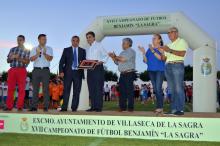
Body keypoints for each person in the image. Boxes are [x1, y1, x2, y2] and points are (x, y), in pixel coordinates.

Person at [160, 27, 189, 116]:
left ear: (176, 33)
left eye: (171, 32)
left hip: (177, 64)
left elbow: (182, 53)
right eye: (168, 33)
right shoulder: (168, 44)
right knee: (171, 89)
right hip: (168, 66)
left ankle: (180, 110)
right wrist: (162, 52)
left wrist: (169, 50)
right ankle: (173, 109)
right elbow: (163, 59)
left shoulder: (181, 41)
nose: (169, 34)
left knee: (178, 88)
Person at [139, 34, 165, 114]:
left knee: (158, 88)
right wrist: (143, 53)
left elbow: (161, 58)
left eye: (154, 38)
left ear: (159, 40)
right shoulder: (149, 49)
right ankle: (159, 107)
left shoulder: (162, 48)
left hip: (159, 70)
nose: (152, 40)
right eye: (152, 38)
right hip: (151, 71)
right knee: (156, 89)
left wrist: (153, 50)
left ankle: (160, 107)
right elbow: (146, 61)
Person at [59, 36, 86, 112]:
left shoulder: (83, 51)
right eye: (73, 40)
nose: (75, 42)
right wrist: (61, 71)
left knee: (76, 92)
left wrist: (85, 64)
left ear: (79, 41)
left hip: (78, 73)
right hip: (68, 73)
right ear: (71, 41)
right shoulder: (66, 50)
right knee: (66, 91)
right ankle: (64, 108)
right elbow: (61, 62)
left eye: (77, 41)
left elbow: (84, 62)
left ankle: (74, 108)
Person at [109, 38, 136, 112]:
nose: (122, 44)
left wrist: (115, 56)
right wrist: (113, 57)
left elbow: (123, 59)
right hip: (122, 74)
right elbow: (117, 62)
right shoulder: (121, 52)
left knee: (129, 91)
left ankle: (130, 108)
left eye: (124, 43)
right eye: (122, 43)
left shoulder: (131, 51)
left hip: (129, 73)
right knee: (122, 92)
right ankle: (122, 108)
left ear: (129, 44)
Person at [4, 35, 30, 111]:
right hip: (12, 70)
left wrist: (17, 58)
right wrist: (11, 58)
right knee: (10, 89)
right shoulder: (12, 49)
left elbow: (27, 61)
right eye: (18, 40)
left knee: (21, 89)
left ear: (24, 41)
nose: (19, 41)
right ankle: (9, 106)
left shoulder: (27, 50)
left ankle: (19, 106)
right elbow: (8, 61)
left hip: (22, 70)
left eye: (21, 40)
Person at [29, 34, 53, 112]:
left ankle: (45, 106)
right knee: (35, 89)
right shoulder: (34, 49)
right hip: (36, 70)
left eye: (45, 39)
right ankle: (34, 106)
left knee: (46, 89)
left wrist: (45, 53)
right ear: (39, 40)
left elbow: (50, 59)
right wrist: (37, 53)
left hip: (45, 70)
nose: (44, 40)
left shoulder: (49, 48)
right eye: (43, 39)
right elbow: (31, 59)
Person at [86, 31, 108, 112]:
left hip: (98, 68)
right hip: (90, 70)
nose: (88, 39)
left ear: (94, 37)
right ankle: (93, 106)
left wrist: (100, 62)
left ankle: (98, 107)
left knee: (98, 88)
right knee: (91, 88)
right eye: (87, 38)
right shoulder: (88, 48)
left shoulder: (99, 45)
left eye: (90, 37)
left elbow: (106, 55)